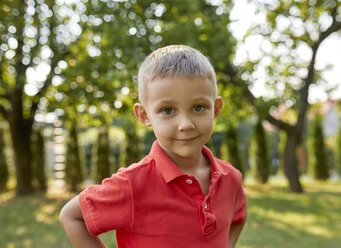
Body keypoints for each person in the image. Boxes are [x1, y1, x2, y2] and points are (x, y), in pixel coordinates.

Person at [59, 45, 247, 248]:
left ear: (216, 108)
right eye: (168, 110)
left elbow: (238, 217)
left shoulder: (231, 178)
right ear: (144, 115)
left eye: (198, 107)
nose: (185, 124)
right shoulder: (132, 185)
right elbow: (71, 216)